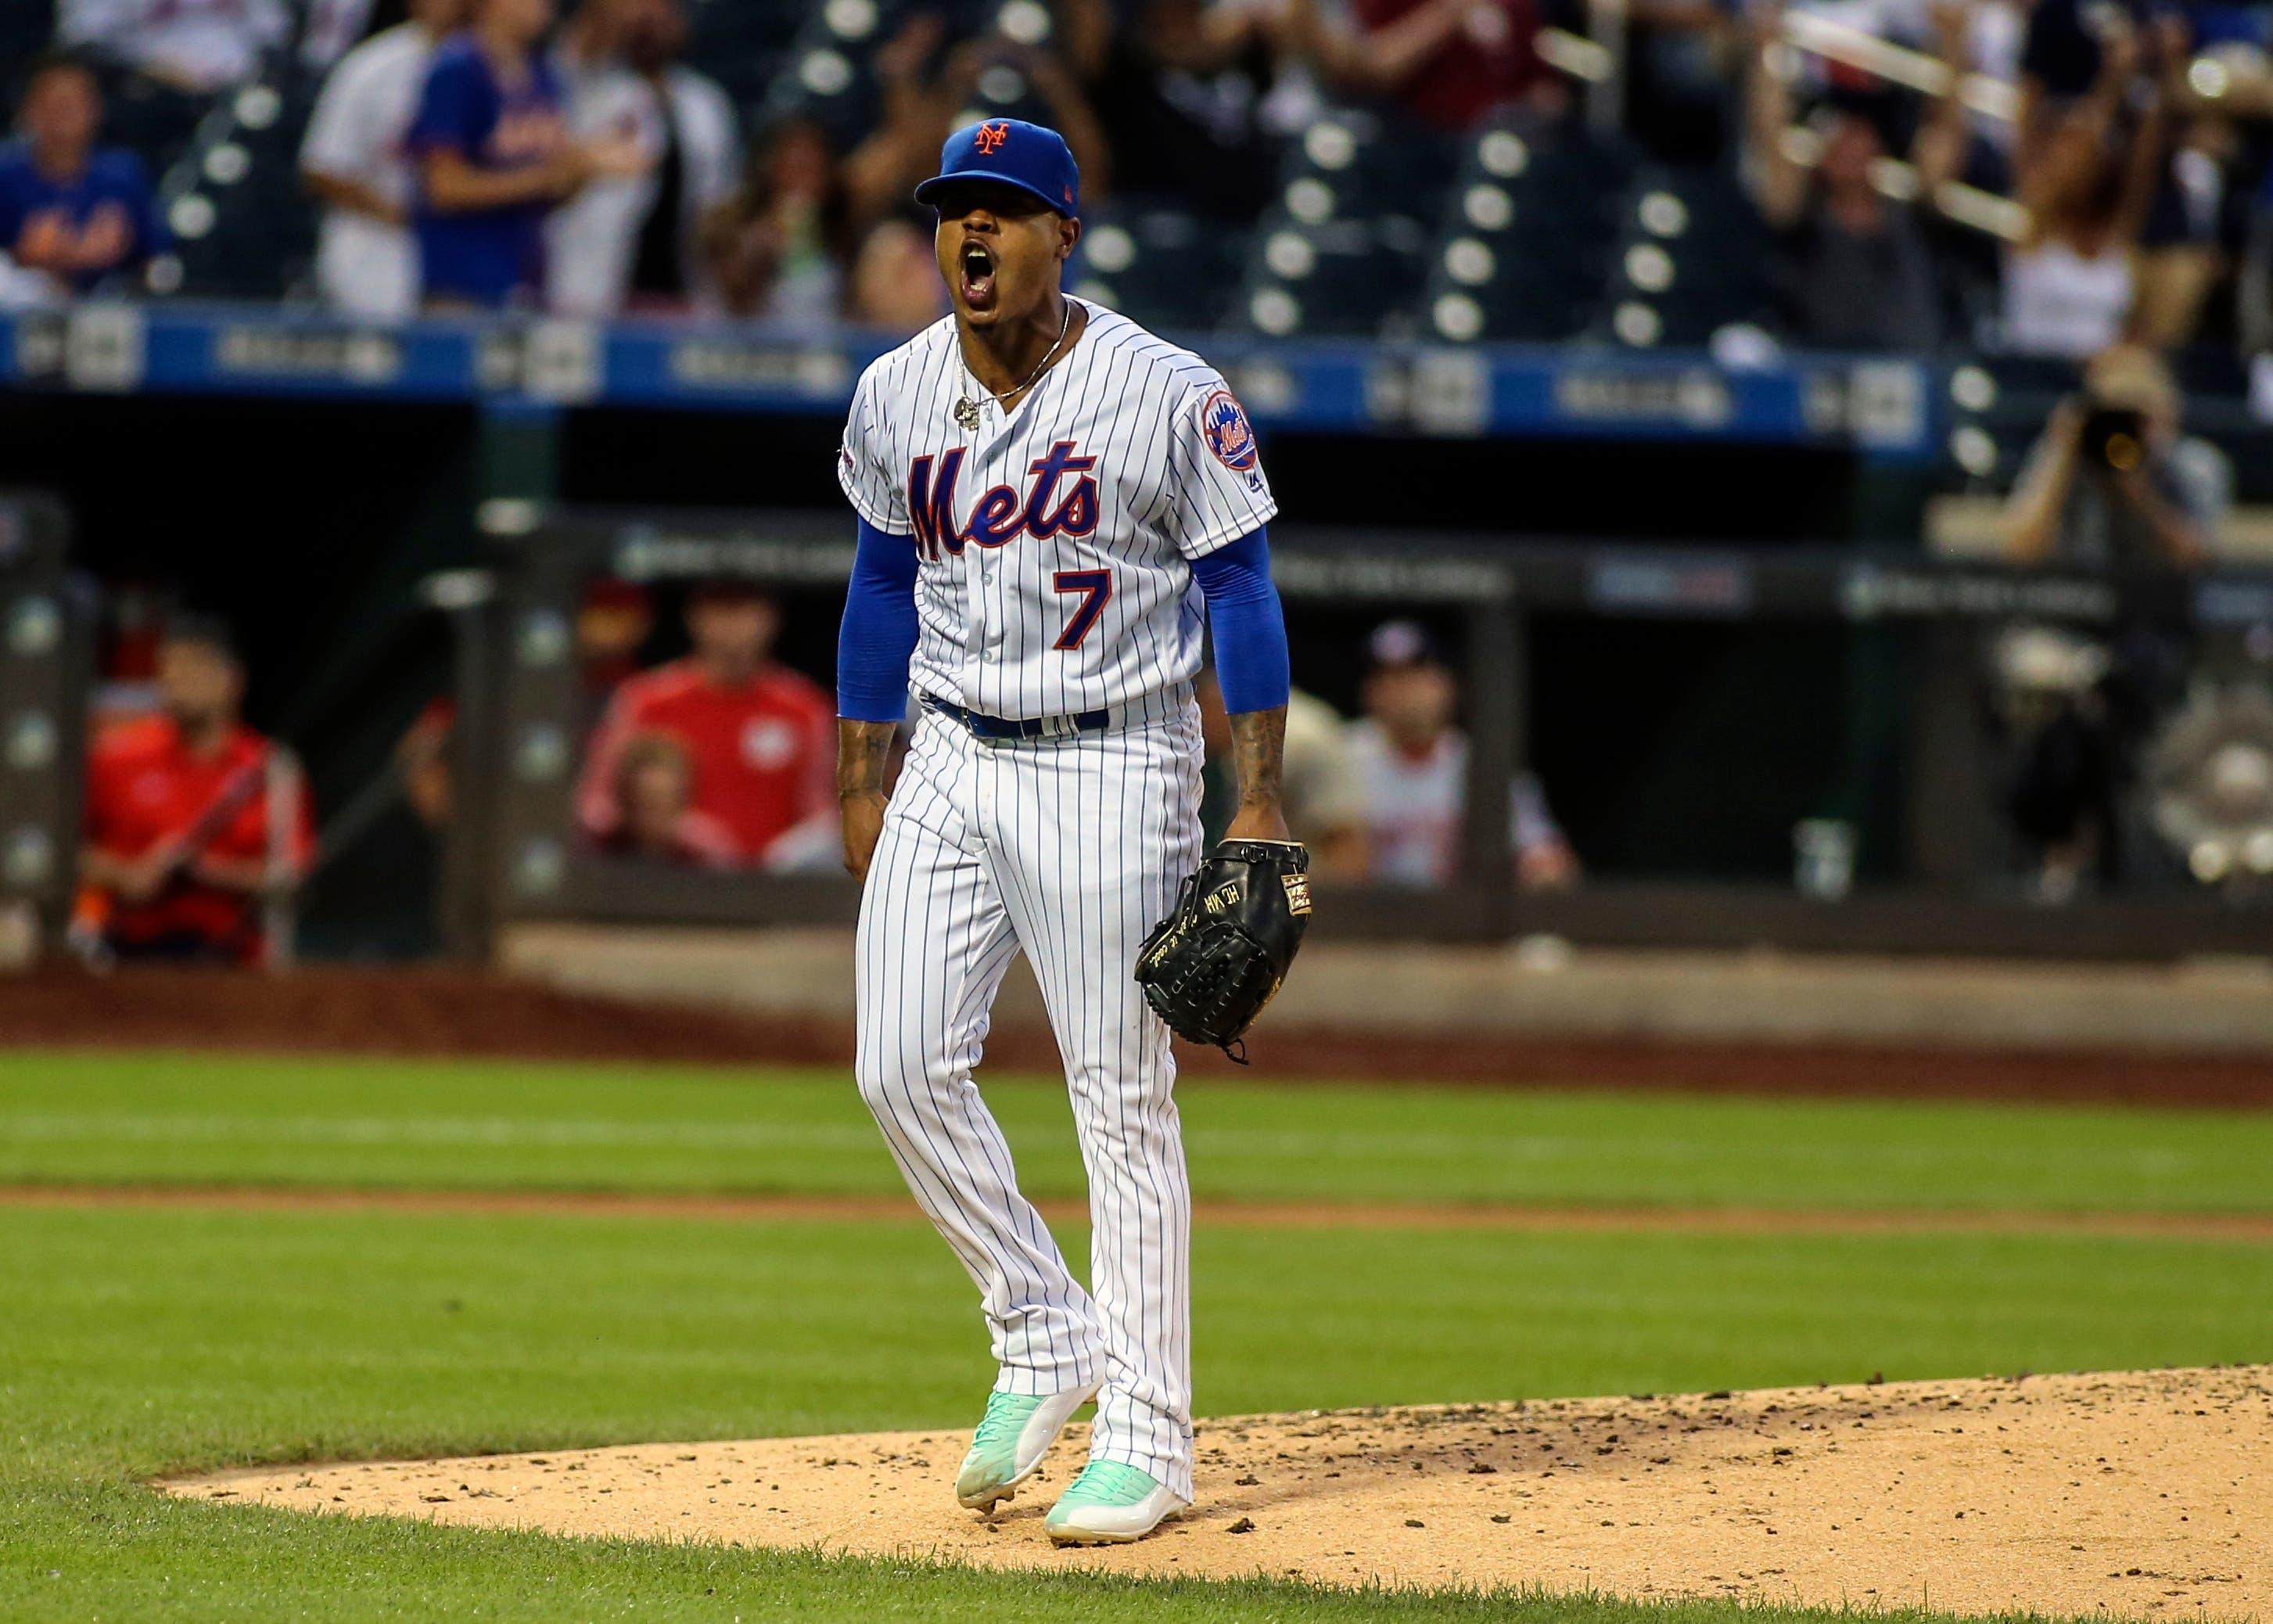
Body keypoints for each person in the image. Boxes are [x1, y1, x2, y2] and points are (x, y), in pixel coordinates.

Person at [834, 118, 1292, 1544]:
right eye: (954, 211)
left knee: (1118, 1096)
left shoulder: (1164, 392)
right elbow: (875, 584)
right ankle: (1041, 1328)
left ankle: (1148, 1442)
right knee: (897, 1064)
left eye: (1004, 211)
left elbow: (1244, 591)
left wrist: (1261, 797)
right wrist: (863, 773)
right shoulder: (895, 392)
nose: (972, 234)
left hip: (1113, 759)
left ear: (1063, 234)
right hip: (955, 754)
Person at [77, 619, 314, 964]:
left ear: (232, 679)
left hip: (234, 961)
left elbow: (294, 875)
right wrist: (128, 876)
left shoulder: (273, 769)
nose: (176, 680)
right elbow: (66, 854)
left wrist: (204, 871)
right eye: (167, 668)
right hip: (128, 956)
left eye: (192, 666)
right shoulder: (114, 757)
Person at [1743, 2, 1970, 350]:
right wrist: (1767, 44)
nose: (1848, 148)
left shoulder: (1912, 213)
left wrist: (1952, 41)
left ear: (1877, 148)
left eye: (1857, 137)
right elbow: (1771, 137)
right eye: (1838, 139)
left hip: (1909, 368)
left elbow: (1945, 135)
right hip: (1823, 370)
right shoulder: (1802, 215)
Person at [575, 580, 835, 868]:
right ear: (694, 616)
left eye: (744, 610)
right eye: (720, 609)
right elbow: (596, 805)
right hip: (666, 880)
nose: (732, 626)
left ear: (771, 618)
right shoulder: (645, 700)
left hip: (772, 888)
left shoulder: (806, 708)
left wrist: (788, 853)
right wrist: (673, 830)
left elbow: (824, 813)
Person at [407, 0, 644, 310]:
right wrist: (552, 175)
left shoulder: (543, 73)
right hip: (459, 286)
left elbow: (552, 195)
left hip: (528, 282)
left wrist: (586, 168)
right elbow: (444, 187)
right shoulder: (456, 68)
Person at [1345, 619, 1578, 889]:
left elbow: (1547, 858)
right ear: (1368, 691)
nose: (1403, 690)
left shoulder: (1482, 763)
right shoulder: (1340, 755)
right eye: (1386, 677)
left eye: (1416, 674)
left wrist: (1542, 871)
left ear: (1448, 685)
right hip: (1367, 923)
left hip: (1460, 925)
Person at [547, 0, 738, 318]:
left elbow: (717, 202)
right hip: (590, 286)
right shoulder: (589, 87)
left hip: (681, 290)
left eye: (664, 16)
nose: (651, 27)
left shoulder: (704, 103)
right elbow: (577, 51)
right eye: (642, 18)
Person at [2002, 20, 2163, 357]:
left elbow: (2143, 172)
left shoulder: (2117, 235)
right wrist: (2110, 83)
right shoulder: (2036, 226)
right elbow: (2078, 150)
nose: (2078, 166)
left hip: (2097, 385)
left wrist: (2143, 75)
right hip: (2033, 378)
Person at [300, 0, 469, 320]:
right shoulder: (373, 65)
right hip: (377, 244)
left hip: (462, 245)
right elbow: (322, 168)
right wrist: (403, 215)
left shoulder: (492, 64)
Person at [2002, 342, 2226, 569]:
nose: (2124, 429)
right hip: (2078, 595)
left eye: (2138, 417)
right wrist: (2062, 451)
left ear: (2168, 415)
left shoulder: (2192, 464)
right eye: (2114, 414)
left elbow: (2196, 561)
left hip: (2160, 596)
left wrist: (2139, 491)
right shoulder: (2068, 455)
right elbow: (2019, 551)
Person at [0, 54, 164, 299]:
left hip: (109, 302)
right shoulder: (7, 173)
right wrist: (24, 256)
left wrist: (102, 252)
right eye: (53, 105)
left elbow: (154, 255)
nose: (63, 118)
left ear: (95, 109)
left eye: (72, 106)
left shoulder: (122, 174)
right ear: (30, 109)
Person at [1198, 671, 1370, 881]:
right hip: (1236, 881)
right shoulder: (1207, 745)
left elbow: (1347, 853)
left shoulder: (1302, 738)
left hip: (1305, 888)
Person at [56, 0, 289, 93]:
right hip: (140, 89)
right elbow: (82, 38)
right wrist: (146, 69)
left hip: (234, 97)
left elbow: (275, 31)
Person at [598, 729, 740, 865]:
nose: (653, 819)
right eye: (645, 804)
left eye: (662, 803)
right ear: (626, 801)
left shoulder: (707, 853)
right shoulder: (602, 847)